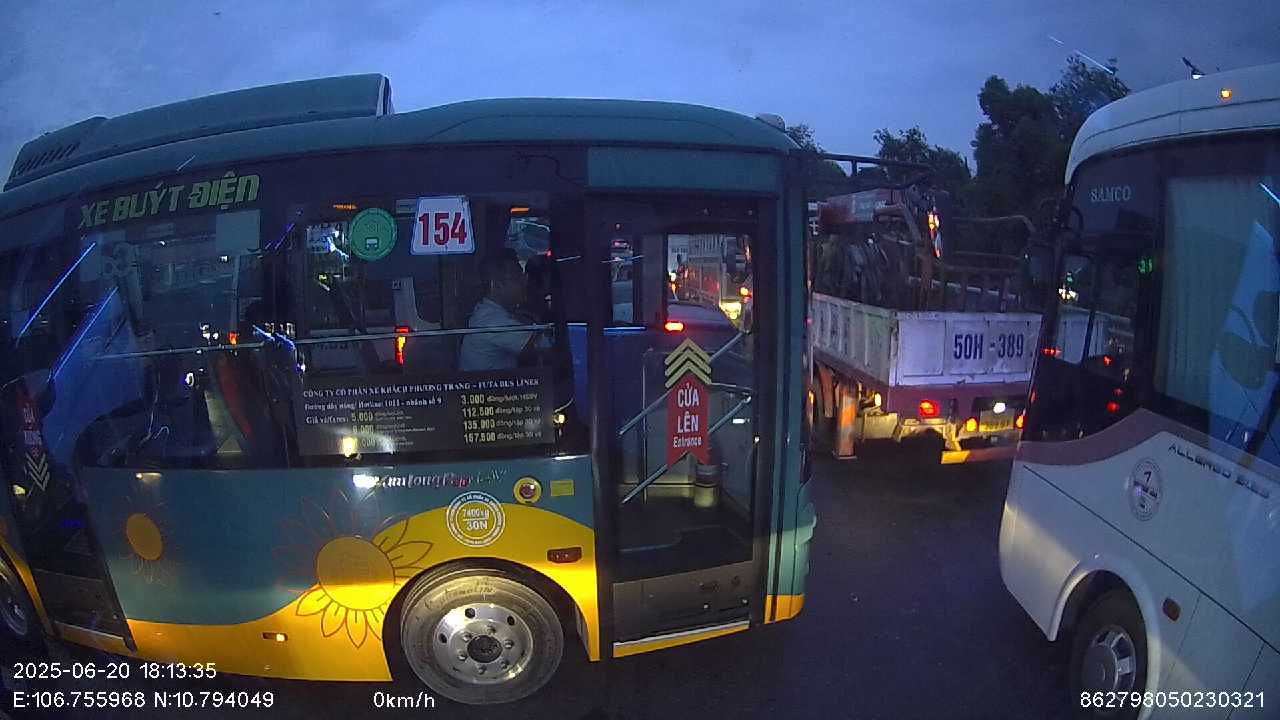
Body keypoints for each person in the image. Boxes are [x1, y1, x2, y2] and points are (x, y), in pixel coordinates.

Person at [458, 252, 549, 371]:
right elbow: (543, 347)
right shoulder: (491, 320)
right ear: (496, 285)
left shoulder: (500, 312)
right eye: (517, 277)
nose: (525, 282)